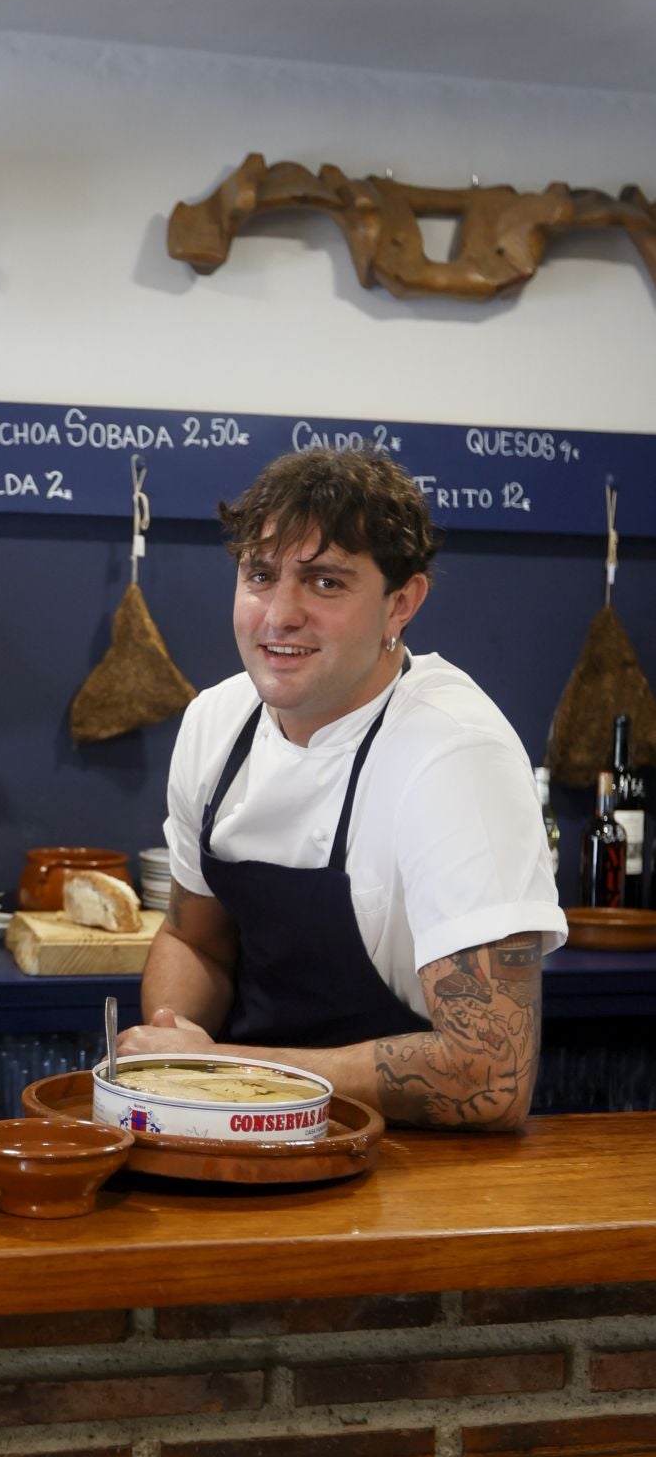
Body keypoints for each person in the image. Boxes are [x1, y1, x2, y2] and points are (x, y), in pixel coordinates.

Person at [121, 449, 566, 1130]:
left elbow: (489, 1073)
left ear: (402, 603)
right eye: (260, 575)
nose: (279, 614)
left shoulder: (451, 753)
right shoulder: (216, 721)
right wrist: (172, 1044)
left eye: (324, 582)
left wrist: (221, 1073)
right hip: (238, 1135)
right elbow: (195, 941)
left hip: (411, 1161)